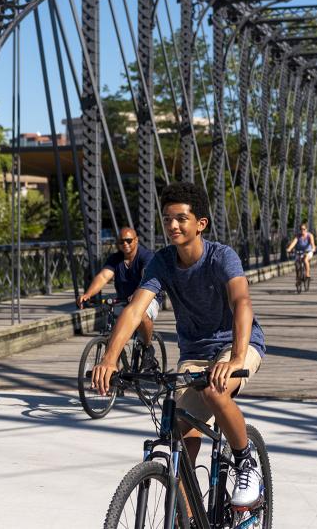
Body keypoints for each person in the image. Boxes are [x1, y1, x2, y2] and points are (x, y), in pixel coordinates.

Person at [91, 182, 266, 508]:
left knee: (216, 390)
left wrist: (237, 357)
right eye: (167, 218)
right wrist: (110, 359)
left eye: (181, 218)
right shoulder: (163, 261)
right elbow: (134, 309)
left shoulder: (221, 257)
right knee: (178, 438)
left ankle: (245, 461)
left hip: (237, 343)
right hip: (195, 353)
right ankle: (186, 517)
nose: (172, 225)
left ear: (200, 223)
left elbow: (242, 302)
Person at [78, 226, 160, 346]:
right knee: (113, 335)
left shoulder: (146, 256)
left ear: (136, 240)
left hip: (148, 297)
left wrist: (138, 293)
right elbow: (103, 277)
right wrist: (88, 294)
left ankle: (148, 347)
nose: (125, 244)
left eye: (129, 240)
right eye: (121, 241)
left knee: (141, 315)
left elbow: (146, 277)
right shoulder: (115, 259)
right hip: (124, 299)